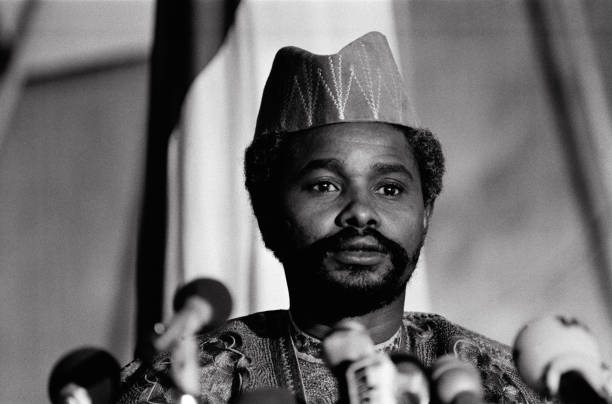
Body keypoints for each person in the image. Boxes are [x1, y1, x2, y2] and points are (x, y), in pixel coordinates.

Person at [119, 32, 545, 403]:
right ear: (267, 213)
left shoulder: (503, 383)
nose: (360, 212)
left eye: (389, 189)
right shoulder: (181, 384)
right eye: (325, 186)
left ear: (426, 213)